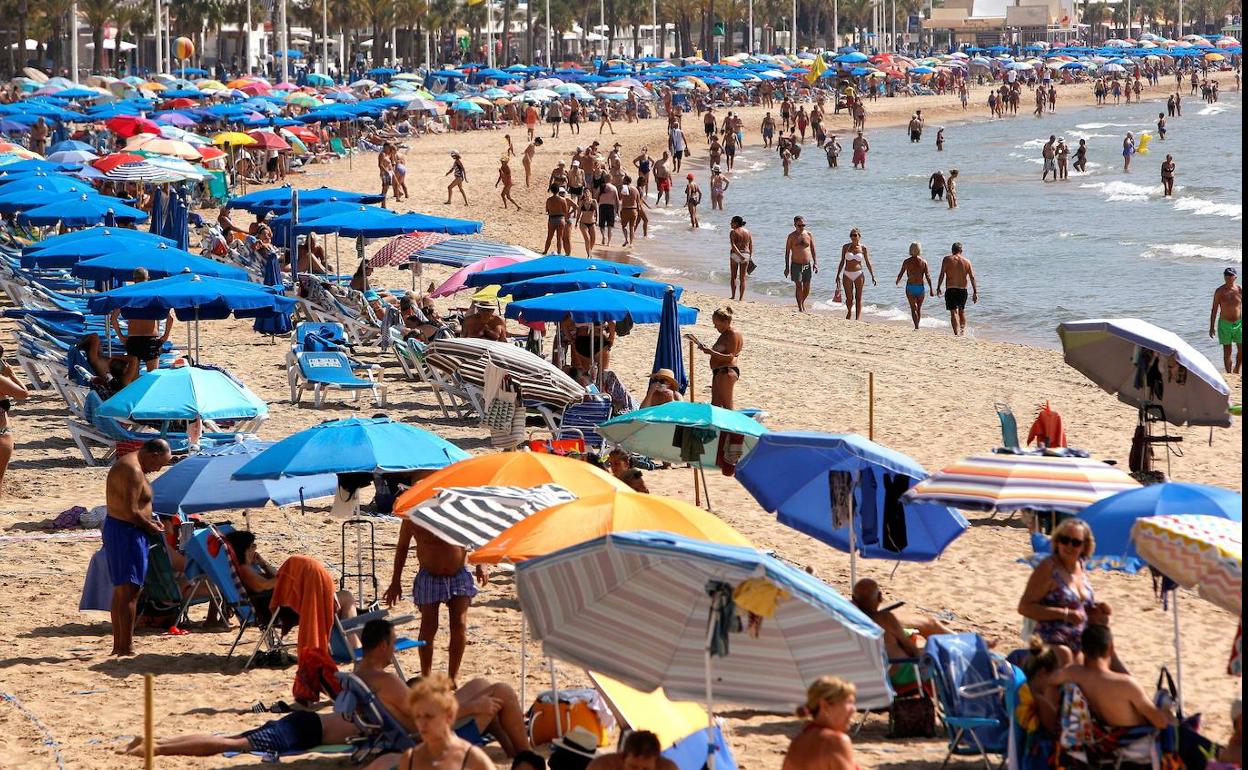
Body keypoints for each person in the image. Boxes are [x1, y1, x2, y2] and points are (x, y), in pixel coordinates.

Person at [356, 619, 529, 761]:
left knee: (480, 684)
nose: (394, 650)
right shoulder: (387, 681)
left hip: (411, 732)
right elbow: (425, 716)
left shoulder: (359, 675)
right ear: (382, 646)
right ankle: (527, 755)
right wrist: (474, 707)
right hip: (431, 736)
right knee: (502, 692)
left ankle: (514, 754)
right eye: (393, 643)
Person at [383, 506, 488, 682]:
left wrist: (481, 562)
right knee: (429, 627)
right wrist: (395, 582)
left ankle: (452, 678)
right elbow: (402, 547)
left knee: (459, 624)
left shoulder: (456, 509)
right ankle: (426, 677)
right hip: (429, 576)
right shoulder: (412, 516)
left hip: (458, 573)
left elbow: (476, 532)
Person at [103, 439, 173, 655]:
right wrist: (149, 526)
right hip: (126, 531)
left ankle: (120, 645)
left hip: (128, 529)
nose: (159, 469)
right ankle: (125, 646)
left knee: (124, 589)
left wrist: (151, 520)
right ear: (152, 454)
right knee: (129, 590)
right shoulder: (132, 469)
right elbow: (130, 510)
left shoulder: (136, 466)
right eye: (161, 463)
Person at [1018, 518, 1112, 666]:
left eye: (1075, 542)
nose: (1069, 546)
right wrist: (1065, 614)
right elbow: (1024, 607)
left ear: (1084, 546)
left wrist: (1094, 609)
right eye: (1064, 540)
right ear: (1057, 541)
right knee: (1067, 657)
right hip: (1053, 643)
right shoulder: (1048, 568)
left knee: (1109, 655)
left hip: (1081, 641)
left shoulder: (1080, 566)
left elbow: (1078, 604)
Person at [1046, 625, 1172, 729]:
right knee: (1169, 717)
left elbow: (1050, 682)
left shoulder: (1071, 673)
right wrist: (1166, 715)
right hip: (1131, 742)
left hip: (1098, 741)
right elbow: (1160, 723)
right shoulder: (1126, 684)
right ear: (1111, 649)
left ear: (1082, 650)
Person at [120, 709, 359, 758]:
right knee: (228, 744)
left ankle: (157, 741)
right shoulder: (382, 719)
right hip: (303, 732)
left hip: (305, 719)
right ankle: (158, 748)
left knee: (231, 739)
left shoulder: (372, 705)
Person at [851, 579, 952, 688]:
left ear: (853, 599)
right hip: (899, 672)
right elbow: (910, 649)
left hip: (872, 674)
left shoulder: (850, 621)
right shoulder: (885, 618)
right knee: (936, 651)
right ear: (880, 597)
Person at [388, 673, 494, 770]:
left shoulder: (471, 757)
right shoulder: (410, 759)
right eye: (418, 717)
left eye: (429, 717)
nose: (422, 724)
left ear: (450, 717)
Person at [781, 677, 858, 770]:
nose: (854, 709)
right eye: (849, 702)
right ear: (825, 705)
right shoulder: (836, 742)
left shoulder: (798, 741)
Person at [110, 268, 173, 374]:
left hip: (133, 340)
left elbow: (113, 318)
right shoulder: (154, 295)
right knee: (152, 378)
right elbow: (170, 318)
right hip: (151, 339)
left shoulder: (127, 295)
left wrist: (121, 336)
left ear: (134, 279)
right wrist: (165, 336)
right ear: (148, 278)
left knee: (134, 379)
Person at [687, 307, 742, 409]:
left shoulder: (732, 334)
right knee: (715, 406)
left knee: (727, 407)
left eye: (717, 324)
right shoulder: (726, 334)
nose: (716, 327)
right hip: (720, 372)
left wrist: (710, 352)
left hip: (726, 371)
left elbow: (730, 357)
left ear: (726, 322)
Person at [936, 243, 978, 336]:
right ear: (961, 251)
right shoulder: (967, 261)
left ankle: (956, 334)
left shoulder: (947, 259)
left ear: (952, 250)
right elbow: (972, 277)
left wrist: (938, 286)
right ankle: (962, 333)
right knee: (962, 311)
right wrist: (975, 292)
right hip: (963, 290)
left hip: (951, 289)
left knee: (953, 312)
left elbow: (942, 274)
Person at [835, 228, 877, 322]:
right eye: (851, 235)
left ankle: (857, 319)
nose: (853, 237)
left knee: (858, 297)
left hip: (859, 274)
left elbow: (867, 262)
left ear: (859, 236)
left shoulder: (863, 248)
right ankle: (849, 311)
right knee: (849, 298)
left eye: (855, 235)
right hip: (847, 274)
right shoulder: (846, 247)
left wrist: (872, 276)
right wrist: (837, 274)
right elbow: (842, 261)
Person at [586, 731, 676, 770]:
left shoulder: (668, 768)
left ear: (657, 763)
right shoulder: (602, 766)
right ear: (622, 757)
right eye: (633, 767)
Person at [1209, 266, 1242, 374]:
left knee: (1241, 350)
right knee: (1227, 351)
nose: (1228, 277)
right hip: (1224, 324)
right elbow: (1214, 309)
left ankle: (1236, 369)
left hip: (1239, 324)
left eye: (1230, 275)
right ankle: (1228, 373)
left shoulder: (1239, 289)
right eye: (1226, 275)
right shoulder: (1219, 291)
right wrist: (1211, 327)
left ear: (1235, 277)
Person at [895, 242, 934, 330]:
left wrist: (898, 280)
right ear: (919, 250)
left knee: (913, 308)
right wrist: (931, 288)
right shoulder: (923, 262)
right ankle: (917, 326)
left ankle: (916, 326)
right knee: (918, 308)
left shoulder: (907, 261)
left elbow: (901, 273)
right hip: (920, 287)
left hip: (910, 287)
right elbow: (928, 276)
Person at [784, 216, 818, 313]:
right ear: (795, 225)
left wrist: (815, 263)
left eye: (803, 225)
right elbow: (787, 252)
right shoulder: (791, 236)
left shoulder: (808, 234)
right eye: (800, 225)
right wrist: (787, 267)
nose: (802, 227)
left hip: (807, 264)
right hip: (796, 265)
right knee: (799, 285)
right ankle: (800, 307)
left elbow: (813, 249)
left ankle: (801, 302)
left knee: (807, 287)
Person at [728, 216, 753, 300]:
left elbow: (733, 246)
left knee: (733, 277)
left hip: (736, 254)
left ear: (736, 223)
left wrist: (739, 255)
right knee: (743, 278)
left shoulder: (733, 232)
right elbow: (750, 246)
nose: (730, 223)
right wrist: (749, 257)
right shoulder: (748, 232)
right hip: (746, 254)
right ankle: (741, 298)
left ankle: (733, 296)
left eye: (732, 222)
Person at [575, 188, 598, 256]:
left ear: (590, 193)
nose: (586, 194)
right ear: (583, 194)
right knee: (587, 239)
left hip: (592, 222)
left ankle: (589, 251)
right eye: (584, 193)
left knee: (593, 239)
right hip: (583, 222)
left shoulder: (594, 201)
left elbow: (597, 212)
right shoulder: (581, 202)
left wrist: (597, 221)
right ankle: (589, 254)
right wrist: (576, 222)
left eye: (587, 192)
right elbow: (578, 213)